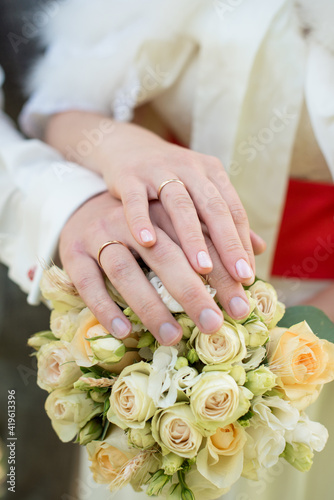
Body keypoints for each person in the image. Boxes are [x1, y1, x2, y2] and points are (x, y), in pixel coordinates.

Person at [6, 0, 334, 498]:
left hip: (314, 325)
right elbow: (62, 98)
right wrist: (116, 145)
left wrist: (302, 335)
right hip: (150, 297)